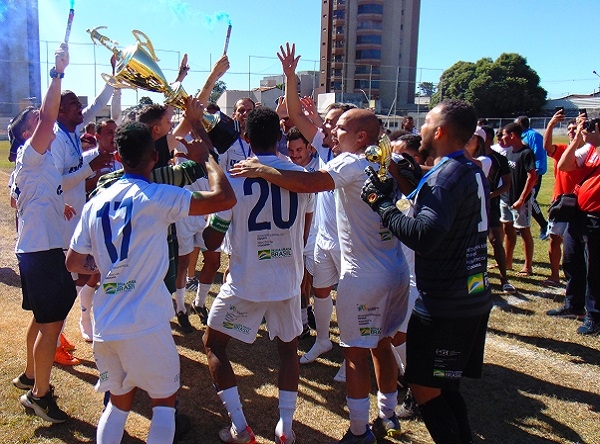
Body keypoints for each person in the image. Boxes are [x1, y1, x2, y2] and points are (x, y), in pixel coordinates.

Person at [232, 43, 409, 444]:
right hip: (394, 268)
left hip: (364, 275)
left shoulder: (346, 162)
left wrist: (264, 169)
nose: (332, 129)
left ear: (360, 135)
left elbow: (309, 182)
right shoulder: (379, 158)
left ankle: (359, 430)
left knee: (355, 353)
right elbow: (297, 119)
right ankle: (389, 412)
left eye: (340, 126)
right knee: (381, 343)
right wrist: (292, 77)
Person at [66, 120, 235, 443]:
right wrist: (207, 157)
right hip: (145, 323)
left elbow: (73, 263)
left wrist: (106, 263)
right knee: (164, 405)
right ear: (154, 158)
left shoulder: (97, 201)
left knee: (117, 405)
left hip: (106, 323)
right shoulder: (158, 196)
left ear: (118, 154)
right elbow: (224, 198)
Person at [361, 99, 492, 444]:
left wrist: (382, 205)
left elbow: (424, 235)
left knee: (424, 388)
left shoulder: (446, 177)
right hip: (471, 294)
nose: (421, 128)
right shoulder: (469, 167)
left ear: (440, 131)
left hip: (446, 302)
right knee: (445, 384)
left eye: (427, 121)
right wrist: (410, 180)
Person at [202, 107, 314, 444]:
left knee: (214, 345)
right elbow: (304, 232)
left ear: (245, 138)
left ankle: (240, 424)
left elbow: (212, 239)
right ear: (281, 136)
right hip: (287, 279)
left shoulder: (234, 177)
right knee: (287, 350)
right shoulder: (301, 175)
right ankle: (286, 427)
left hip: (247, 279)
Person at [10, 42, 77, 424]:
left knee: (41, 318)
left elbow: (33, 198)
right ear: (27, 136)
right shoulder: (31, 155)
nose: (44, 120)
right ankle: (40, 395)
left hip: (38, 249)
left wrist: (58, 205)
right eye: (36, 120)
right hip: (40, 252)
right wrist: (57, 73)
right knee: (52, 323)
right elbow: (50, 119)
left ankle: (30, 376)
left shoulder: (41, 164)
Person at [554, 117, 600, 335]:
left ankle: (595, 316)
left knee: (595, 269)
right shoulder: (589, 150)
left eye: (590, 128)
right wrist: (577, 141)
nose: (585, 131)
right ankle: (574, 305)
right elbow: (564, 165)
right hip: (580, 215)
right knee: (572, 261)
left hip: (597, 218)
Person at [542, 113, 587, 288]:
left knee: (579, 243)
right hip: (561, 202)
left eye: (574, 128)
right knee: (554, 238)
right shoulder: (561, 149)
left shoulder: (588, 152)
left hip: (580, 203)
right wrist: (552, 124)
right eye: (569, 129)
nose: (571, 131)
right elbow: (547, 147)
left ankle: (578, 276)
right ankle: (554, 275)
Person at [480, 125, 515, 294]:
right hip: (471, 208)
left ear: (486, 138)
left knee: (495, 241)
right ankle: (477, 281)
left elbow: (507, 184)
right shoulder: (469, 158)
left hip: (490, 206)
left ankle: (504, 279)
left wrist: (492, 195)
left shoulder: (499, 159)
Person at [500, 122, 537, 276]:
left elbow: (532, 176)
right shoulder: (509, 152)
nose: (502, 138)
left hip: (520, 200)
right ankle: (507, 263)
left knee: (524, 231)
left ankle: (528, 266)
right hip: (507, 199)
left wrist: (522, 199)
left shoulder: (526, 152)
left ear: (512, 135)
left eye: (504, 135)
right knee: (507, 228)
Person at [515, 116, 548, 239]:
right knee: (519, 199)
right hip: (521, 174)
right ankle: (518, 227)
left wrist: (537, 173)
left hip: (532, 174)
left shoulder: (533, 136)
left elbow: (539, 155)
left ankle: (544, 226)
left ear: (521, 124)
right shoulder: (520, 136)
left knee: (530, 200)